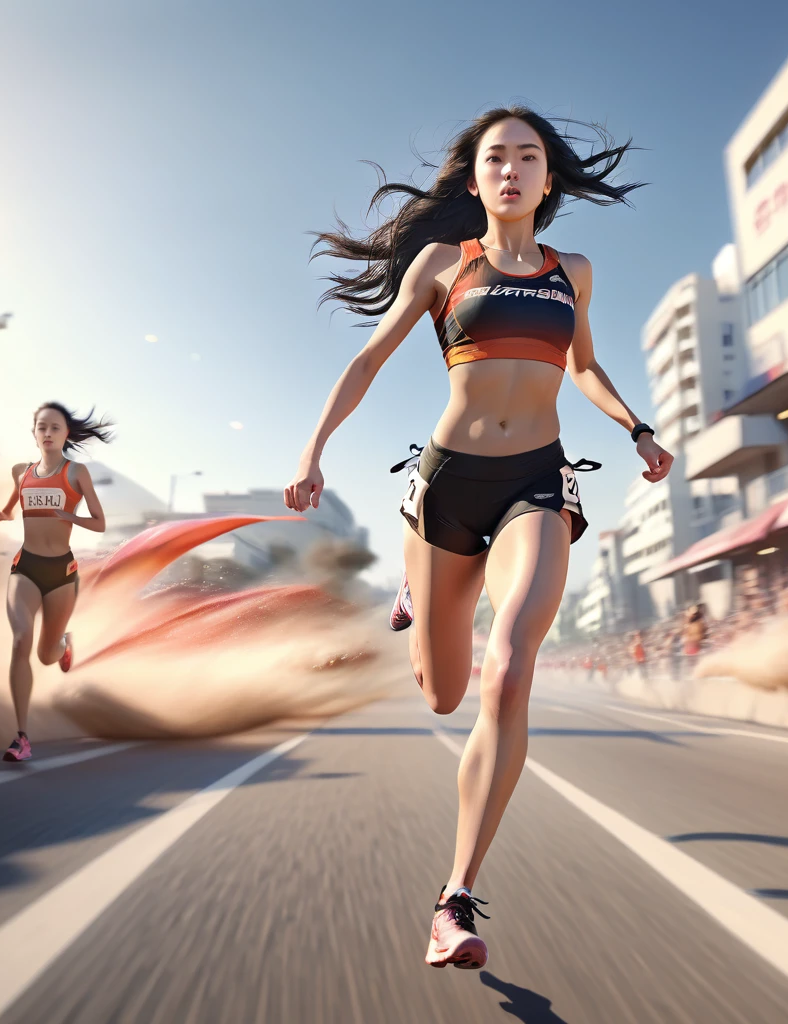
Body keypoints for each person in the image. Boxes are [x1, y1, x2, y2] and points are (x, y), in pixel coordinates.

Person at [284, 106, 673, 970]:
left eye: (528, 158)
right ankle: (421, 585)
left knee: (509, 671)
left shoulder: (574, 272)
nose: (510, 170)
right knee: (442, 694)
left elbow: (584, 366)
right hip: (448, 489)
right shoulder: (442, 265)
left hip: (536, 482)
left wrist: (636, 428)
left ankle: (453, 896)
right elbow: (368, 360)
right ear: (475, 181)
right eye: (495, 158)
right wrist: (314, 450)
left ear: (547, 180)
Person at [0, 402, 112, 761]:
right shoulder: (21, 471)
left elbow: (100, 523)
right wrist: (3, 515)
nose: (47, 433)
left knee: (46, 656)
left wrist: (67, 514)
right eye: (41, 427)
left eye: (55, 427)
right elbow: (13, 507)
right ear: (34, 432)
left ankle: (63, 643)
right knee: (20, 640)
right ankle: (22, 738)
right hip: (25, 567)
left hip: (61, 573)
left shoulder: (78, 473)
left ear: (66, 434)